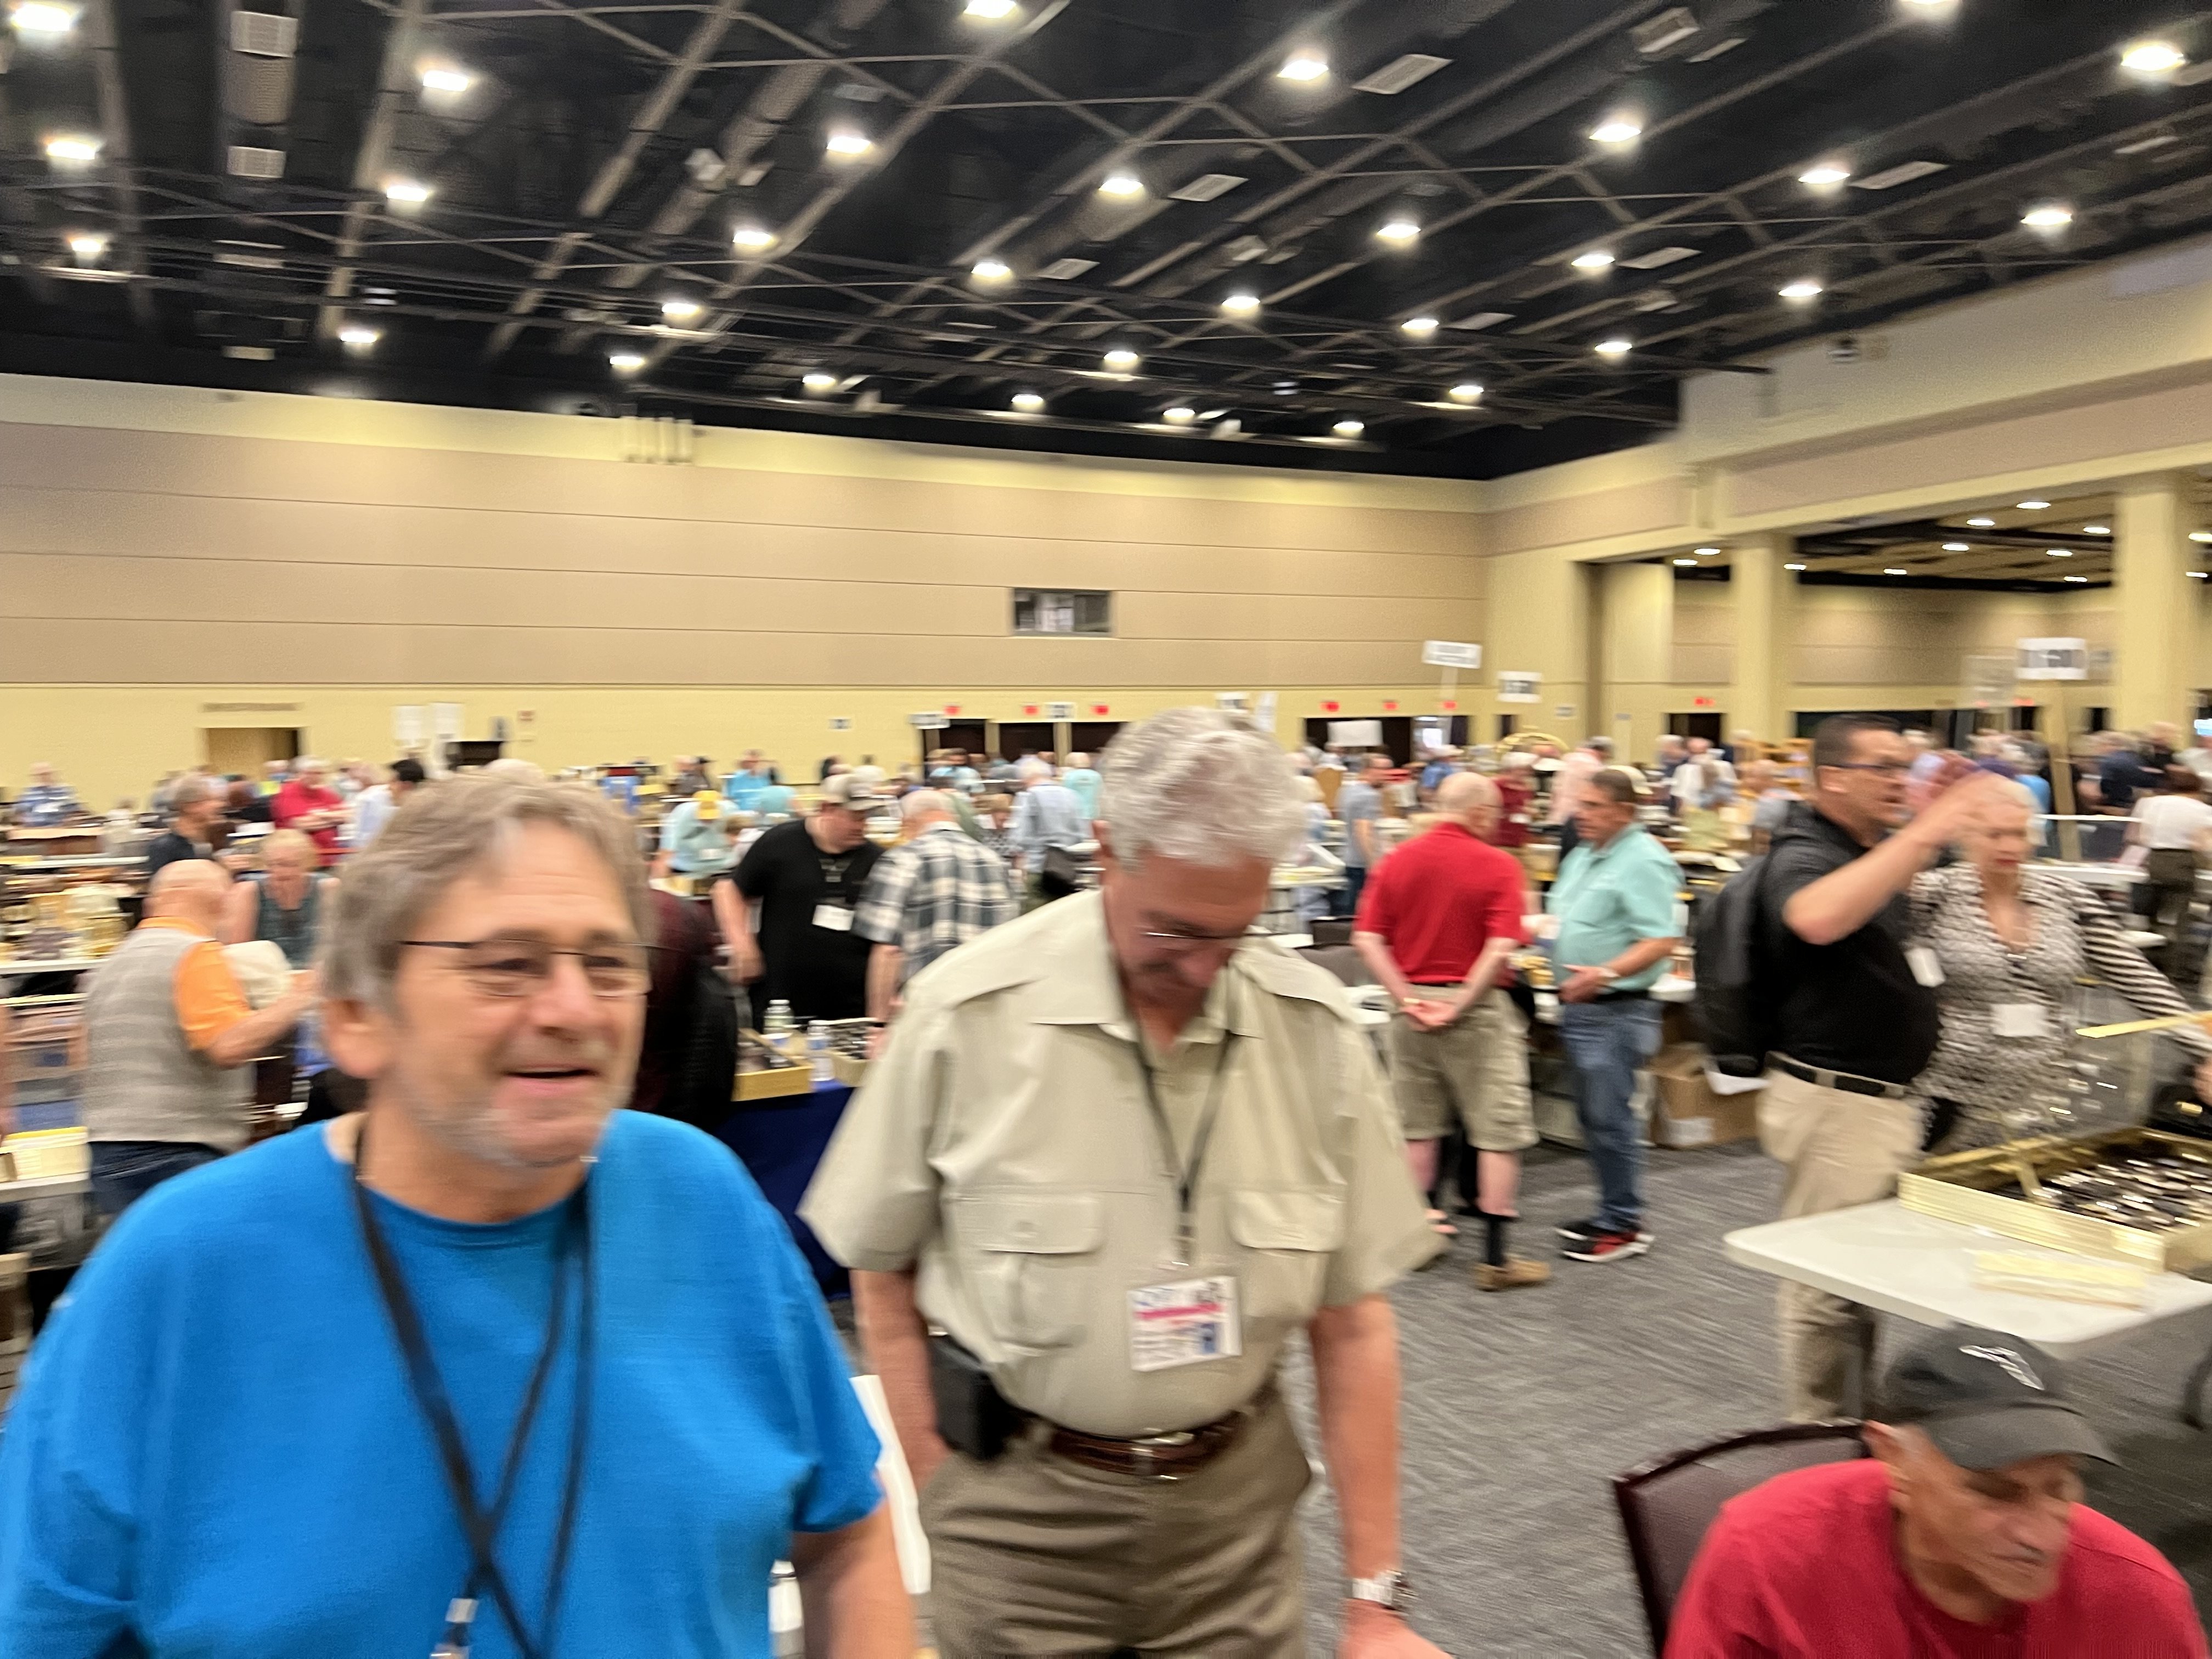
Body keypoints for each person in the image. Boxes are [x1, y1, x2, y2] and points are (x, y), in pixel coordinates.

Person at [0, 775, 911, 1656]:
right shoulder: (179, 1271)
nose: (573, 1009)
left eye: (607, 963)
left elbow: (846, 1530)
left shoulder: (701, 1199)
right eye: (506, 965)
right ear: (355, 1016)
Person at [803, 708, 1443, 1658]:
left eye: (1233, 935)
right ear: (1106, 849)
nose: (1205, 968)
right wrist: (943, 1491)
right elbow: (879, 1269)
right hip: (1020, 1523)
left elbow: (1352, 1326)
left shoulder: (1310, 1031)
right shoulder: (966, 1016)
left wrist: (1374, 1603)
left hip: (1236, 1527)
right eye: (1174, 930)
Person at [1754, 715, 2018, 1419]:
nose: (1901, 780)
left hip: (1881, 1100)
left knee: (1856, 1276)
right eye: (1885, 768)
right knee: (1824, 1284)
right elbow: (1816, 918)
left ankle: (1853, 1425)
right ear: (1833, 779)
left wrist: (1924, 821)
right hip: (1840, 1105)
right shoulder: (1805, 850)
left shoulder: (1860, 846)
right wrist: (1928, 828)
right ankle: (1818, 1439)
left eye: (1907, 767)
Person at [1668, 1325, 2209, 1658]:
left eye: (2060, 1485)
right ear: (1894, 1460)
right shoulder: (1768, 1548)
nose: (2043, 1537)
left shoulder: (2139, 1596)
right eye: (1994, 1492)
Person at [1912, 783, 2212, 1150]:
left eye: (2018, 833)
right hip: (1942, 1088)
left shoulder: (2067, 897)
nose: (2009, 846)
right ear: (1966, 836)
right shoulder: (1933, 894)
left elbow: (2137, 977)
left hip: (2042, 1091)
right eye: (1994, 834)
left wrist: (2202, 1048)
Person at [1354, 773, 1545, 1289]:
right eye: (1495, 814)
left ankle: (1419, 1239)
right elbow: (1501, 947)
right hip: (1476, 1011)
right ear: (1481, 812)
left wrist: (1406, 999)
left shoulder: (1396, 860)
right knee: (1498, 1132)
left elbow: (1367, 939)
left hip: (1410, 1012)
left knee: (1418, 1128)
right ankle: (1497, 1260)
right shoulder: (1498, 864)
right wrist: (1459, 1004)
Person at [79, 861, 315, 1216]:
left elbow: (80, 1056)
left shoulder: (109, 963)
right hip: (178, 1150)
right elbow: (229, 1046)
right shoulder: (197, 953)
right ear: (221, 902)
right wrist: (303, 996)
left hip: (108, 1151)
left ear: (154, 903)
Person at [1546, 769, 1683, 1263]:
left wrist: (1603, 973)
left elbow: (1660, 941)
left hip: (1616, 1011)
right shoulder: (1584, 855)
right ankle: (1611, 1211)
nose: (1579, 814)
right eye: (1579, 804)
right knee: (1594, 1120)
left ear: (1625, 812)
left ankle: (1624, 1225)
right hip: (1581, 1008)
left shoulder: (1643, 860)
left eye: (1593, 806)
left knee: (1610, 1120)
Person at [713, 771, 889, 1020]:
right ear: (827, 809)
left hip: (852, 1004)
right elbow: (729, 891)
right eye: (855, 817)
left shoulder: (876, 859)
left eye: (865, 817)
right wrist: (743, 946)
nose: (862, 826)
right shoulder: (779, 843)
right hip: (782, 1001)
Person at [853, 789, 1017, 1022]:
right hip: (983, 1007)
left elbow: (888, 950)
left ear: (908, 823)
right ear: (953, 819)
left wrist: (879, 1022)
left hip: (922, 1009)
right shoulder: (996, 863)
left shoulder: (902, 860)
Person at [2129, 766, 2212, 969]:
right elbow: (2203, 845)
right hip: (2182, 864)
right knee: (2179, 920)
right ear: (2197, 788)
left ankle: (2145, 963)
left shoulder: (2149, 803)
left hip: (2154, 862)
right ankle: (2172, 969)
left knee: (2152, 916)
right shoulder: (2202, 809)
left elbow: (2137, 837)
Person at [221, 828, 336, 971]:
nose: (280, 872)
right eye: (273, 865)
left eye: (289, 865)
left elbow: (341, 943)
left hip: (319, 974)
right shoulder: (249, 892)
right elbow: (239, 952)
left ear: (307, 865)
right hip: (267, 975)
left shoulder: (328, 889)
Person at [1010, 764, 1089, 904]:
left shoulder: (1030, 796)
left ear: (1027, 779)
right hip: (1067, 869)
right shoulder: (1071, 795)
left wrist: (1018, 855)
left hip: (1039, 867)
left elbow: (1021, 837)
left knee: (1037, 913)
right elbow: (1082, 832)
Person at [1334, 754, 1389, 918]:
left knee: (1348, 912)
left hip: (1348, 857)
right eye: (1382, 769)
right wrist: (1374, 864)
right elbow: (1364, 831)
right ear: (1368, 770)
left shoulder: (1346, 791)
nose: (1386, 774)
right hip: (1362, 862)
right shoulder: (1370, 796)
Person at [143, 775, 228, 879]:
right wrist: (224, 870)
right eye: (210, 800)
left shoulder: (217, 839)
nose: (219, 805)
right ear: (190, 807)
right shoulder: (165, 848)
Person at [272, 756, 346, 866]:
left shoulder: (327, 793)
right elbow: (301, 824)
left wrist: (319, 815)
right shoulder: (288, 793)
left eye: (319, 773)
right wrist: (332, 819)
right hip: (298, 860)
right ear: (300, 774)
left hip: (329, 856)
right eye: (311, 773)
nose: (316, 777)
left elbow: (345, 816)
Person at [1545, 736, 1611, 858]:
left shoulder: (1568, 761)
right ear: (1602, 751)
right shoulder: (1595, 767)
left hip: (1559, 817)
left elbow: (1556, 790)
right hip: (1580, 819)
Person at [659, 788, 738, 878]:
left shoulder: (731, 810)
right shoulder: (681, 813)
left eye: (712, 817)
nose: (708, 820)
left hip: (725, 867)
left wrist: (735, 837)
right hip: (687, 868)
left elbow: (742, 833)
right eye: (704, 817)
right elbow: (667, 849)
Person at [351, 757, 424, 849]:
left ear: (406, 786)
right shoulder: (370, 799)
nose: (388, 787)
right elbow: (361, 837)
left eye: (393, 782)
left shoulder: (425, 806)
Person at [14, 761, 82, 826]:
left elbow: (75, 813)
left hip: (60, 829)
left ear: (52, 775)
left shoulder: (64, 791)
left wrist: (68, 822)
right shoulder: (29, 793)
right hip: (34, 830)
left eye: (45, 774)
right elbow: (19, 815)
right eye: (39, 775)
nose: (43, 777)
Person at [1060, 750, 1103, 820]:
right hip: (1093, 813)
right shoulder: (1096, 775)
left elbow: (1065, 795)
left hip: (1075, 814)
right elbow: (1100, 793)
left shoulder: (1069, 776)